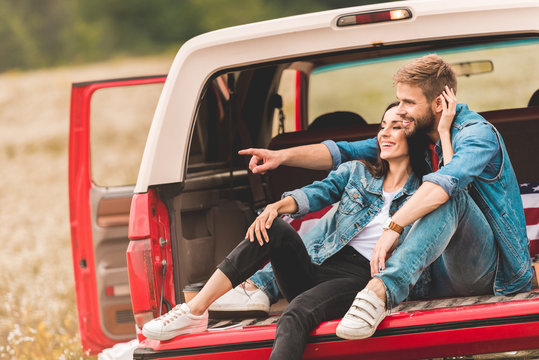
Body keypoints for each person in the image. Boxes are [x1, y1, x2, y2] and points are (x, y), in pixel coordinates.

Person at [238, 54, 534, 340]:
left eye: (408, 102)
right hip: (432, 277)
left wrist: (394, 227)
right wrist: (280, 155)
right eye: (399, 100)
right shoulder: (413, 130)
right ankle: (259, 285)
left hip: (492, 275)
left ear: (437, 104)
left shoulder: (476, 134)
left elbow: (446, 183)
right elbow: (343, 152)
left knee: (447, 195)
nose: (400, 110)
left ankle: (377, 293)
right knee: (342, 210)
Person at [142, 102, 434, 359]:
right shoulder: (357, 172)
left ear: (415, 135)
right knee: (275, 227)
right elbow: (320, 191)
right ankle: (194, 310)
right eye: (382, 126)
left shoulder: (426, 191)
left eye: (396, 126)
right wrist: (277, 207)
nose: (384, 133)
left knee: (295, 314)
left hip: (362, 281)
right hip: (321, 265)